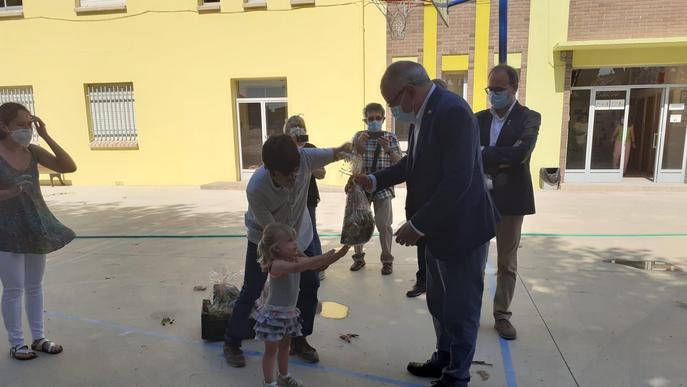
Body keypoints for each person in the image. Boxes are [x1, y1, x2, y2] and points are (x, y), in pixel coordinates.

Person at [352, 61, 498, 387]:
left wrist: (418, 225)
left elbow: (458, 180)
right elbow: (412, 164)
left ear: (410, 91)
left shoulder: (453, 112)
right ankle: (443, 359)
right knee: (438, 302)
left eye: (392, 103)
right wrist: (374, 180)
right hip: (436, 232)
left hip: (462, 230)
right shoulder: (423, 115)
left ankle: (457, 376)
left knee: (461, 308)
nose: (391, 111)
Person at [224, 134, 351, 368]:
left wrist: (350, 147)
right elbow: (275, 235)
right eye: (287, 174)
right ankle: (232, 341)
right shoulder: (257, 189)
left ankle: (299, 339)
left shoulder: (304, 159)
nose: (294, 178)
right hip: (265, 236)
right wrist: (311, 260)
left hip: (300, 233)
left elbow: (336, 152)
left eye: (296, 171)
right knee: (252, 288)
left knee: (310, 284)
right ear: (271, 171)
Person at [0, 102, 77, 360]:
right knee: (13, 288)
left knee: (35, 286)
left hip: (35, 225)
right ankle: (17, 343)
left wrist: (45, 135)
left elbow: (68, 167)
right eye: (20, 125)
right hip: (6, 230)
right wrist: (8, 193)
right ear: (4, 126)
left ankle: (39, 338)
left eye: (29, 124)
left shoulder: (33, 151)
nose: (26, 130)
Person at [476, 64, 541, 341]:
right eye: (491, 89)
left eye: (500, 89)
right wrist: (501, 155)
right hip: (478, 197)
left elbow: (520, 155)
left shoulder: (529, 118)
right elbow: (468, 153)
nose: (494, 94)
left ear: (514, 88)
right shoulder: (477, 119)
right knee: (472, 259)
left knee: (506, 262)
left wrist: (485, 153)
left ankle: (501, 315)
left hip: (511, 198)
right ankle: (468, 312)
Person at [255, 223, 349, 387]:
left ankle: (283, 375)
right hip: (273, 316)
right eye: (291, 241)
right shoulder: (277, 264)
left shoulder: (293, 259)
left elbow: (315, 265)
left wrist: (340, 254)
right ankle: (269, 382)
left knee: (285, 347)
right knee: (271, 351)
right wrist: (322, 257)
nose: (295, 244)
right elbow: (301, 266)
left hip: (288, 314)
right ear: (277, 248)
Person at [349, 103, 402, 275]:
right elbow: (352, 161)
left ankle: (387, 260)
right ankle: (358, 258)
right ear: (365, 120)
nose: (374, 122)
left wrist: (387, 149)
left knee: (384, 225)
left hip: (383, 187)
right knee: (358, 224)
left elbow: (400, 164)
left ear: (383, 119)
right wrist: (359, 147)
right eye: (370, 119)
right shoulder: (358, 136)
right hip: (361, 186)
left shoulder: (391, 137)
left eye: (377, 118)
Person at [284, 116, 327, 281]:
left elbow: (321, 174)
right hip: (287, 198)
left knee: (311, 231)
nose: (296, 129)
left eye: (299, 126)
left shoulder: (310, 148)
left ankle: (318, 264)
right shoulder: (284, 148)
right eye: (292, 127)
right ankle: (296, 263)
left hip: (308, 197)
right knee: (289, 232)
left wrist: (310, 164)